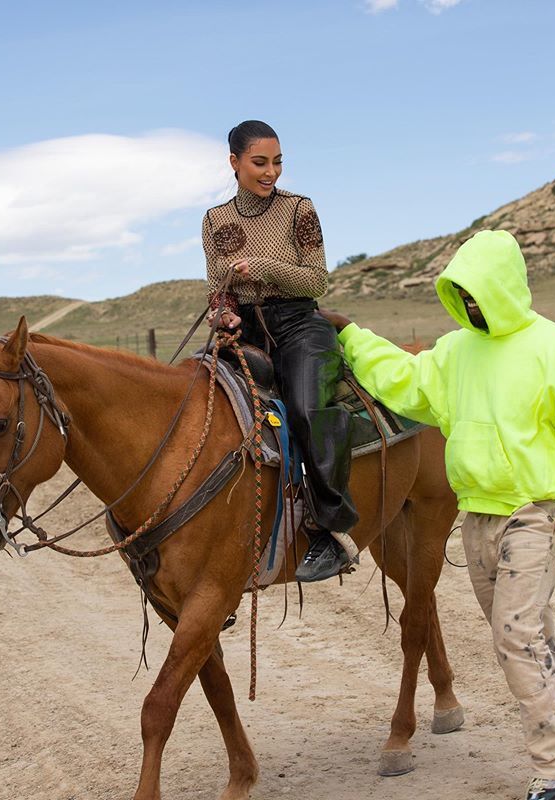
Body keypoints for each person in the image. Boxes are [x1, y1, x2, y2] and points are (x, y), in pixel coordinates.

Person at [321, 229, 555, 800]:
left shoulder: (551, 346)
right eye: (464, 293)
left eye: (480, 291)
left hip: (536, 511)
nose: (474, 303)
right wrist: (353, 336)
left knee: (516, 636)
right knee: (532, 636)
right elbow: (407, 382)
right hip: (477, 516)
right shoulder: (456, 351)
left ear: (504, 286)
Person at [201, 119, 358, 582]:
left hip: (297, 326)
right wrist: (223, 313)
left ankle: (333, 530)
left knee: (308, 409)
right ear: (234, 163)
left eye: (277, 162)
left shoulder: (298, 209)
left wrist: (264, 267)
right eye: (260, 163)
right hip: (244, 332)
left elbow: (316, 279)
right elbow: (219, 287)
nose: (271, 172)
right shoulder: (215, 220)